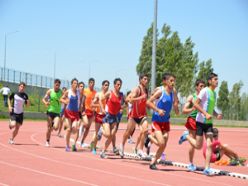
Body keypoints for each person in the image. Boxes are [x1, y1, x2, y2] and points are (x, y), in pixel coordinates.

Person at [179, 72, 222, 176]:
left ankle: (207, 168)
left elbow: (211, 109)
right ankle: (186, 136)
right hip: (200, 122)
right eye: (215, 79)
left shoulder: (214, 93)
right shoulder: (205, 91)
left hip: (209, 124)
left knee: (210, 144)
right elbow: (196, 104)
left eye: (217, 79)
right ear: (210, 81)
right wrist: (205, 113)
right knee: (198, 146)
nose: (217, 81)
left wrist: (217, 115)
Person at [146, 72, 179, 170]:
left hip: (166, 122)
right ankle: (149, 137)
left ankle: (153, 162)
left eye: (174, 81)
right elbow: (148, 102)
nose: (173, 83)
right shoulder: (160, 92)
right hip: (157, 121)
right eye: (171, 81)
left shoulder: (174, 92)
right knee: (161, 143)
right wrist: (158, 110)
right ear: (165, 82)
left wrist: (176, 108)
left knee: (164, 144)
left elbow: (176, 105)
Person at [119, 74, 149, 158]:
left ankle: (140, 150)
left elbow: (145, 101)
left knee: (145, 130)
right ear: (140, 80)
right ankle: (122, 145)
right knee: (128, 132)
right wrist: (140, 98)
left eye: (147, 79)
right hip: (134, 116)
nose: (146, 81)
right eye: (145, 79)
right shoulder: (137, 89)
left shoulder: (146, 90)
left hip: (142, 115)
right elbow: (129, 100)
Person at [182, 79, 205, 171]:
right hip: (192, 120)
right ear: (196, 87)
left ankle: (185, 136)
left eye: (204, 86)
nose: (202, 88)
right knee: (193, 143)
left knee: (197, 143)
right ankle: (190, 163)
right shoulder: (192, 97)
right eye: (201, 86)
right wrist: (192, 109)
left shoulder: (205, 97)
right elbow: (184, 110)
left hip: (201, 121)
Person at [100, 78, 123, 158]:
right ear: (114, 85)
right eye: (118, 84)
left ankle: (103, 152)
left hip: (115, 118)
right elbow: (101, 99)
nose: (119, 86)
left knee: (111, 136)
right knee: (107, 134)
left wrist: (121, 108)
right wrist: (102, 109)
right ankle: (101, 130)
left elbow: (121, 105)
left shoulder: (121, 95)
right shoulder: (110, 93)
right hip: (108, 116)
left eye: (120, 85)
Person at [60, 78, 83, 152]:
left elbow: (79, 102)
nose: (76, 85)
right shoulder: (68, 91)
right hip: (68, 112)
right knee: (69, 129)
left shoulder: (78, 92)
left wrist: (80, 107)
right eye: (75, 83)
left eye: (77, 83)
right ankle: (67, 146)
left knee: (75, 129)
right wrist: (65, 101)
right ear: (72, 84)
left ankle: (73, 145)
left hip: (75, 113)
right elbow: (61, 99)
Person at [90, 80, 109, 155]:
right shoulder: (98, 94)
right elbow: (92, 104)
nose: (106, 86)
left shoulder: (108, 94)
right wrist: (100, 106)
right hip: (99, 115)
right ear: (102, 86)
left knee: (107, 132)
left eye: (107, 85)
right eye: (105, 85)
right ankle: (94, 147)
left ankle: (114, 147)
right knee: (96, 132)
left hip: (106, 115)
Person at [42, 79, 62, 147]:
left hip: (57, 112)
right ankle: (47, 141)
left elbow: (65, 98)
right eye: (56, 85)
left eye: (58, 85)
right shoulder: (50, 91)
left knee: (56, 128)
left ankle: (53, 126)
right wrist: (46, 103)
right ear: (54, 84)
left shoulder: (61, 92)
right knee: (48, 128)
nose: (57, 86)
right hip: (50, 111)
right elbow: (43, 99)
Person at [80, 78, 97, 148]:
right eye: (91, 83)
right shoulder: (85, 91)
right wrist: (81, 109)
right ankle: (82, 126)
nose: (92, 84)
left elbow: (96, 102)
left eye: (93, 83)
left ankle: (82, 141)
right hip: (85, 110)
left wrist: (95, 110)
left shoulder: (95, 93)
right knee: (86, 123)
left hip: (92, 112)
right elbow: (81, 99)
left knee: (88, 128)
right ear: (89, 83)